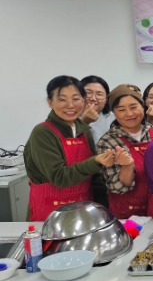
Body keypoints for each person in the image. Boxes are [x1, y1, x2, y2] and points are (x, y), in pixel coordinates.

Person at [24, 76, 115, 221]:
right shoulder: (42, 133)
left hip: (84, 210)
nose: (70, 105)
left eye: (76, 99)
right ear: (50, 102)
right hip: (51, 214)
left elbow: (94, 177)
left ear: (83, 101)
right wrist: (95, 161)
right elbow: (59, 177)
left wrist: (104, 208)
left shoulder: (83, 131)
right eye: (62, 99)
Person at [98, 84, 153, 218]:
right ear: (114, 112)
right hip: (126, 214)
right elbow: (116, 187)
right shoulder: (107, 142)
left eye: (133, 107)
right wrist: (127, 166)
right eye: (121, 109)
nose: (129, 114)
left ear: (143, 106)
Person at [80, 75, 116, 148]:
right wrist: (84, 122)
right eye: (88, 93)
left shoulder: (114, 119)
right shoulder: (68, 116)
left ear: (106, 99)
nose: (93, 98)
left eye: (99, 94)